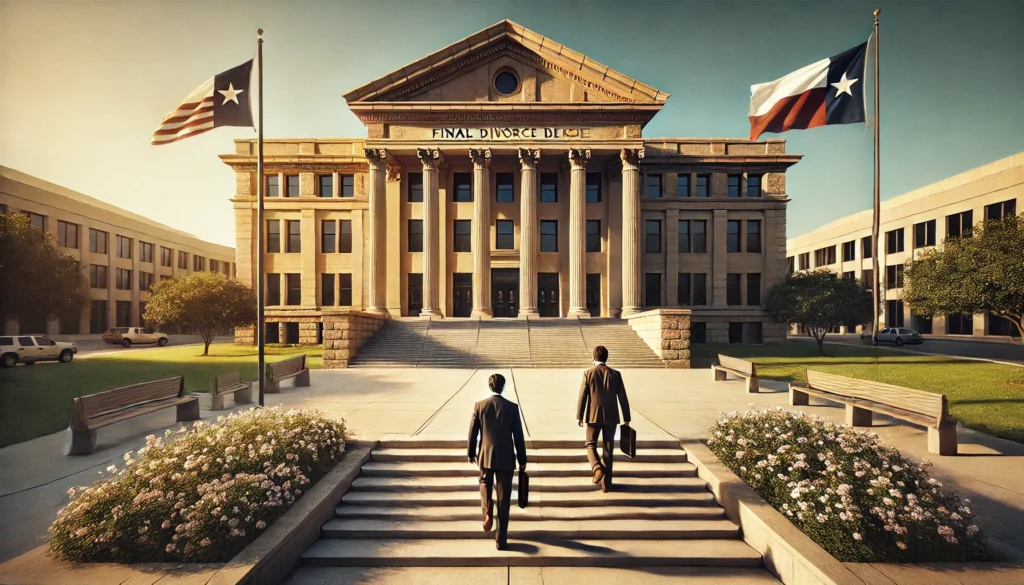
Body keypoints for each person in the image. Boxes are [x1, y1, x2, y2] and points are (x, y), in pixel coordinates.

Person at [468, 373, 527, 550]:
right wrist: (522, 459)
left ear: (489, 386)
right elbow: (518, 436)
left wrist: (471, 452)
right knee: (504, 499)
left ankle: (487, 509)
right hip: (507, 457)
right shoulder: (512, 408)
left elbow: (473, 431)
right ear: (503, 386)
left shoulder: (480, 406)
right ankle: (501, 540)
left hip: (486, 455)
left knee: (484, 482)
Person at [576, 345, 631, 493]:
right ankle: (607, 485)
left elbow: (583, 396)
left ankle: (597, 468)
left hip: (593, 416)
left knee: (590, 443)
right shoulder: (616, 374)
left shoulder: (588, 373)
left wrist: (579, 416)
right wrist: (627, 417)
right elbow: (622, 397)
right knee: (608, 449)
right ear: (607, 357)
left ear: (594, 357)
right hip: (612, 417)